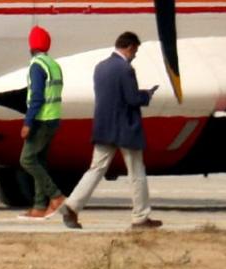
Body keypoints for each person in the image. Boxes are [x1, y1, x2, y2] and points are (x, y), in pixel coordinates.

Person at [62, 30, 158, 230]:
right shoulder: (125, 69)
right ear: (130, 47)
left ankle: (72, 206)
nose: (134, 56)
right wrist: (147, 95)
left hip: (104, 126)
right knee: (136, 172)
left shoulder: (101, 67)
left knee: (95, 169)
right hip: (125, 128)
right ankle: (140, 216)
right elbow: (131, 99)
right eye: (135, 52)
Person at [21, 26, 66, 220]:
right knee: (40, 161)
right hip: (54, 118)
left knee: (27, 160)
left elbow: (37, 96)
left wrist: (28, 122)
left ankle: (56, 196)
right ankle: (39, 206)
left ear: (31, 46)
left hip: (41, 119)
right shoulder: (53, 64)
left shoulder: (36, 66)